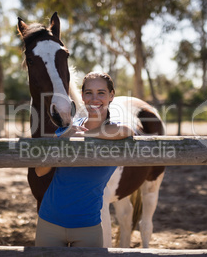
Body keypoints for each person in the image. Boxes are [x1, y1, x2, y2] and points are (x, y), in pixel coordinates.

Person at [35, 72, 134, 247]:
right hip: (49, 221)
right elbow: (40, 171)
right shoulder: (68, 128)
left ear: (112, 96)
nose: (94, 98)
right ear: (82, 96)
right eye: (88, 92)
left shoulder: (114, 132)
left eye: (101, 93)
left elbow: (127, 131)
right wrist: (61, 140)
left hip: (88, 227)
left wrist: (84, 136)